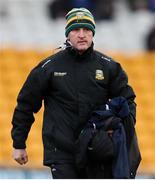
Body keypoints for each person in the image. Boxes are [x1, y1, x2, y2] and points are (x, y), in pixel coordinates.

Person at [11, 8, 141, 179]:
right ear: (68, 34)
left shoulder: (109, 67)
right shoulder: (49, 67)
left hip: (97, 151)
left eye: (87, 30)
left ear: (93, 33)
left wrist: (118, 133)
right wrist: (19, 143)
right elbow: (26, 105)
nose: (82, 35)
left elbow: (128, 102)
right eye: (76, 30)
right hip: (62, 153)